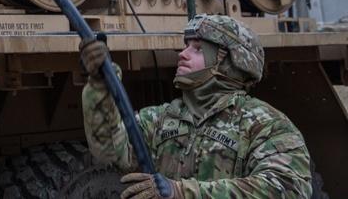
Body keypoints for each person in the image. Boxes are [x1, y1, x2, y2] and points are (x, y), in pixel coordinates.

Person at [79, 14, 314, 198]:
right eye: (186, 46)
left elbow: (287, 188)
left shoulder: (267, 125)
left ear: (229, 63)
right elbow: (111, 151)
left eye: (199, 49)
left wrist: (183, 193)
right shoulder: (161, 117)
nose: (183, 54)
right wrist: (101, 86)